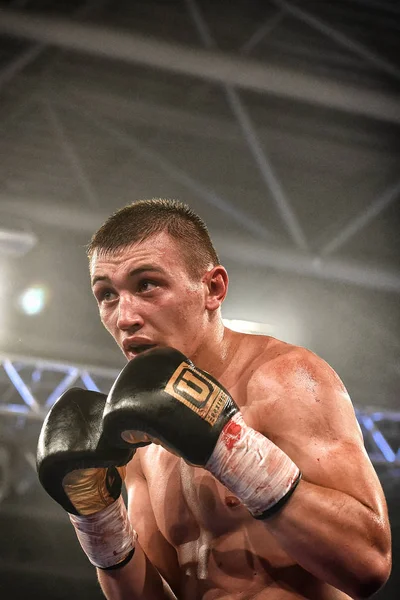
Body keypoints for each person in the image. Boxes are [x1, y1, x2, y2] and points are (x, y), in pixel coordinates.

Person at [37, 199, 392, 600]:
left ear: (213, 288)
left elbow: (369, 564)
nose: (125, 317)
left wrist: (233, 451)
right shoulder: (136, 437)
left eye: (147, 285)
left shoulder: (284, 380)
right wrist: (100, 524)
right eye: (106, 295)